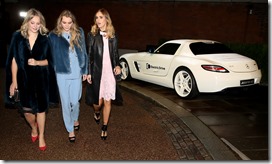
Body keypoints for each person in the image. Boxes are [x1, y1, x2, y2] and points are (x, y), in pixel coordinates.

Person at [5, 8, 54, 151]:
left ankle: (42, 136)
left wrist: (38, 62)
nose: (35, 26)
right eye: (32, 22)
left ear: (41, 24)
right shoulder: (18, 37)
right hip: (23, 80)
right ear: (27, 22)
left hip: (41, 80)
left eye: (38, 23)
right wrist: (14, 81)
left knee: (41, 110)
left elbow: (51, 62)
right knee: (27, 112)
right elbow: (14, 60)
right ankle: (34, 127)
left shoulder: (45, 39)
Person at [48, 10, 88, 143]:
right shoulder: (53, 36)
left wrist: (85, 70)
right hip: (62, 73)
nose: (67, 25)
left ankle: (75, 117)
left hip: (77, 72)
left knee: (75, 101)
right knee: (65, 103)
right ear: (60, 22)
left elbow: (84, 53)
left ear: (73, 22)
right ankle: (70, 129)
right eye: (64, 22)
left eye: (69, 23)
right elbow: (50, 56)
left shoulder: (79, 32)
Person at [85, 8, 123, 140]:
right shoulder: (92, 35)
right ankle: (96, 112)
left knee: (108, 102)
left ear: (107, 19)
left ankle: (104, 126)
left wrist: (118, 66)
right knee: (98, 103)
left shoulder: (113, 36)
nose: (98, 20)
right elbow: (89, 55)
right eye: (96, 17)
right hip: (97, 72)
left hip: (109, 73)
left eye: (101, 17)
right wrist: (88, 72)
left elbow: (115, 55)